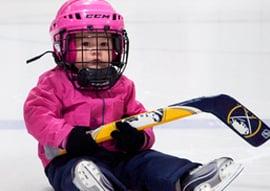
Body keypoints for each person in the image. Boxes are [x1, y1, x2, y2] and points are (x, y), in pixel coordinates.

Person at [24, 0, 243, 190]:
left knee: (149, 161)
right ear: (62, 47)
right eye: (85, 43)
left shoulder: (123, 85)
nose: (96, 51)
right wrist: (69, 136)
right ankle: (92, 184)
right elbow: (37, 115)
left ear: (117, 47)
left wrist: (138, 138)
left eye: (104, 43)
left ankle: (187, 179)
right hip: (69, 157)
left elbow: (142, 118)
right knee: (75, 171)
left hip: (120, 158)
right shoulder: (53, 82)